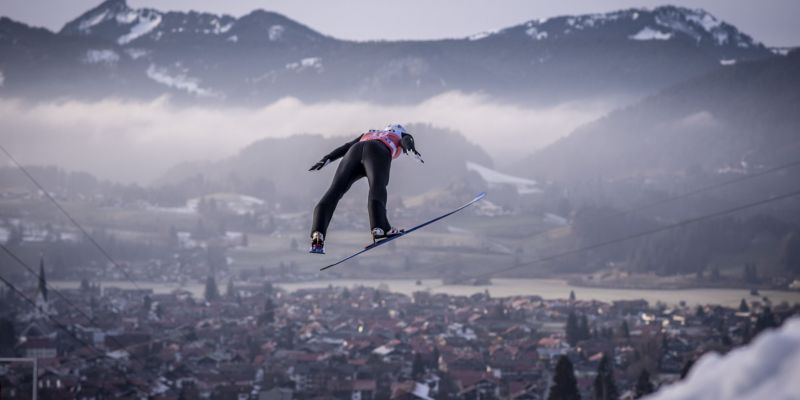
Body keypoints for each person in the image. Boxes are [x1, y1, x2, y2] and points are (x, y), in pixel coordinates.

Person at [308, 124, 422, 254]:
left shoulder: (370, 133)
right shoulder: (398, 134)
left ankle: (318, 236)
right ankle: (380, 228)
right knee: (377, 186)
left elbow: (346, 147)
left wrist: (327, 158)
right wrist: (411, 149)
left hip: (354, 152)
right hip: (377, 151)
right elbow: (406, 140)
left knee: (334, 191)